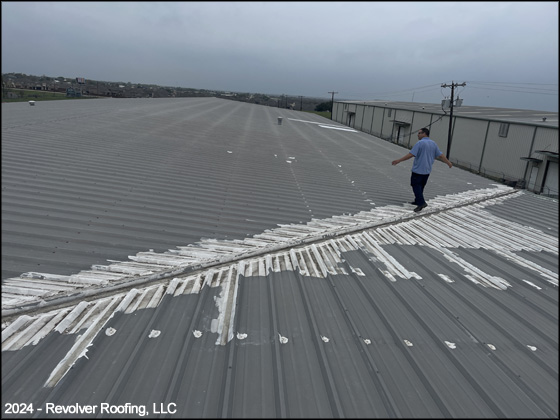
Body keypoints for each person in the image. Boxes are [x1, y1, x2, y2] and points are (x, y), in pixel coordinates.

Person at [391, 128, 453, 212]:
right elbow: (441, 155)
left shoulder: (420, 143)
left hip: (418, 170)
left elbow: (411, 154)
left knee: (415, 185)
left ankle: (421, 203)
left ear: (424, 134)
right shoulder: (433, 144)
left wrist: (399, 160)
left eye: (419, 133)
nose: (418, 135)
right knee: (421, 186)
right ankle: (417, 200)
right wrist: (448, 163)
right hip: (427, 171)